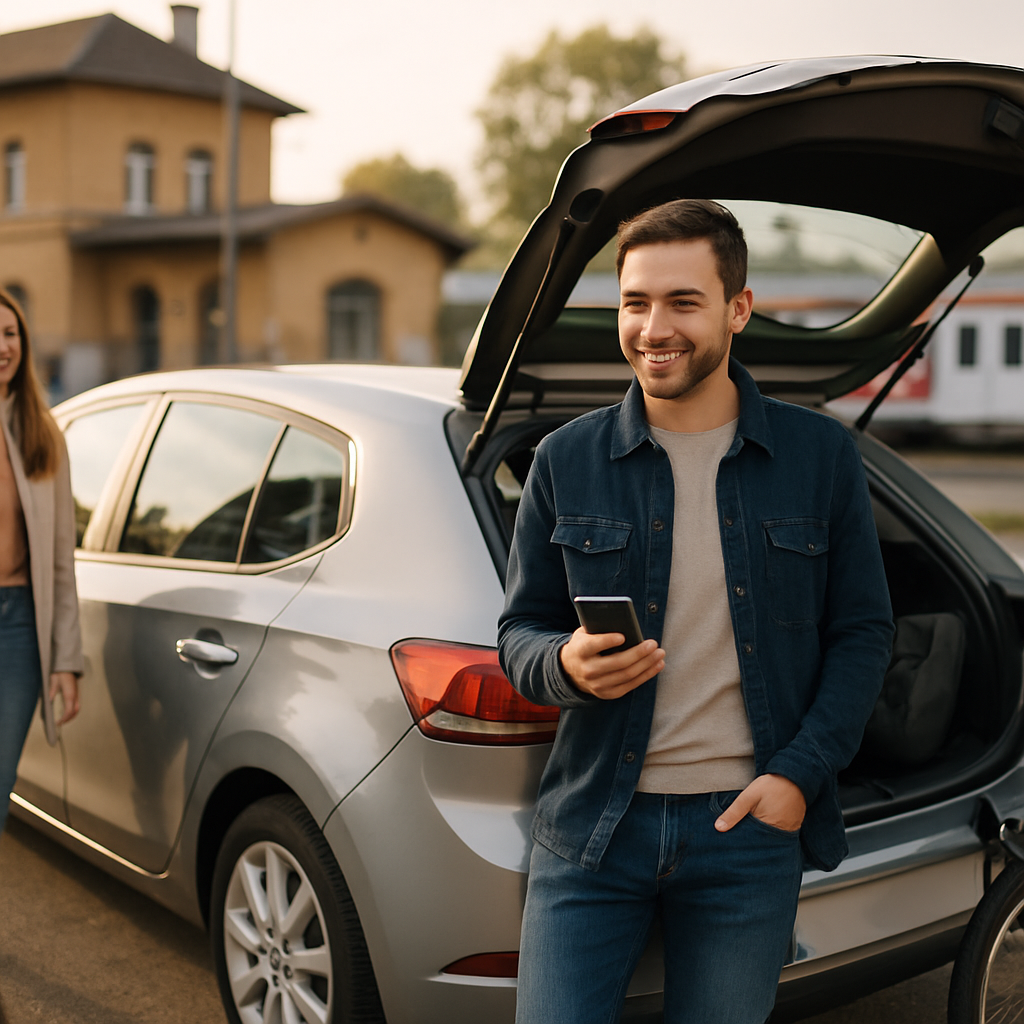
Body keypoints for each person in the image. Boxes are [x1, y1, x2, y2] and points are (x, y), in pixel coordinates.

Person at [497, 199, 894, 1024]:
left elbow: (863, 633)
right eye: (635, 303)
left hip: (746, 831)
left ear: (737, 309)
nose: (654, 328)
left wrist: (798, 776)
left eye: (683, 302)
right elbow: (518, 633)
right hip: (592, 831)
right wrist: (563, 665)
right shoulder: (565, 460)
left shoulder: (819, 456)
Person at [0, 288, 82, 837]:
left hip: (19, 629)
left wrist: (66, 658)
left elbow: (59, 559)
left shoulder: (43, 434)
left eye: (9, 334)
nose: (2, 346)